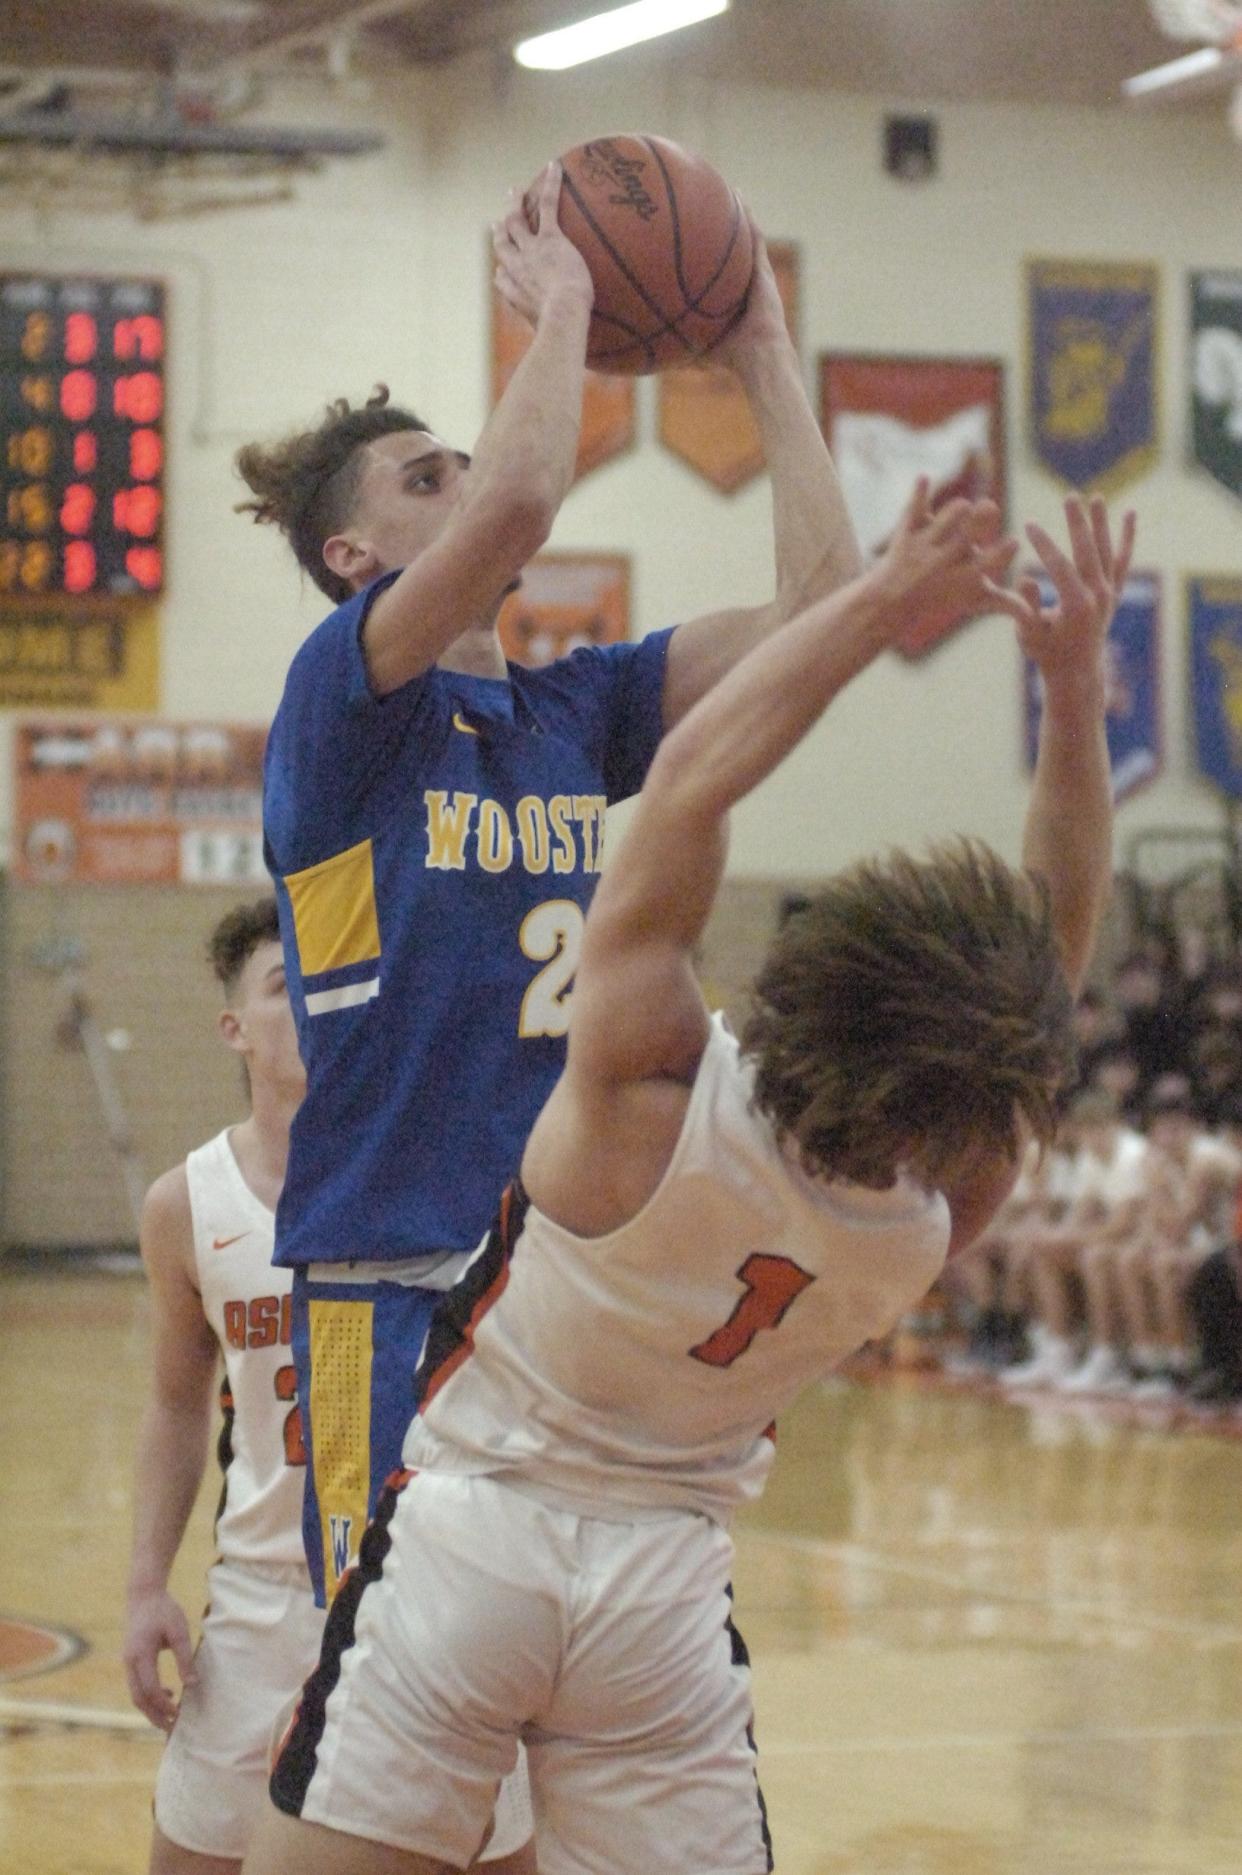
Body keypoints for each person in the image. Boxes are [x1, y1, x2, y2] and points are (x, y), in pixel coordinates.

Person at [240, 488, 1135, 1875]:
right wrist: (1072, 697)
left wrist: (868, 608)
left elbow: (699, 769)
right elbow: (1050, 958)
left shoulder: (647, 1093)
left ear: (820, 967)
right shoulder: (932, 1218)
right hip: (663, 1586)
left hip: (469, 1540)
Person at [237, 162, 864, 1608]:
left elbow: (825, 615)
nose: (463, 484)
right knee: (376, 1714)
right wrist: (564, 307)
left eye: (459, 461)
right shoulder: (341, 706)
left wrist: (762, 346)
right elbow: (520, 498)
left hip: (563, 1277)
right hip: (391, 1266)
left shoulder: (575, 707)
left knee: (544, 1712)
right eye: (422, 479)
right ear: (353, 557)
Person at [121, 900, 534, 1873]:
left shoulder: (460, 1185)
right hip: (266, 1597)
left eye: (330, 979)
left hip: (437, 1594)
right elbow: (177, 1406)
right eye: (284, 984)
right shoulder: (187, 1204)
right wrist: (145, 1585)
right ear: (235, 1028)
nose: (316, 1001)